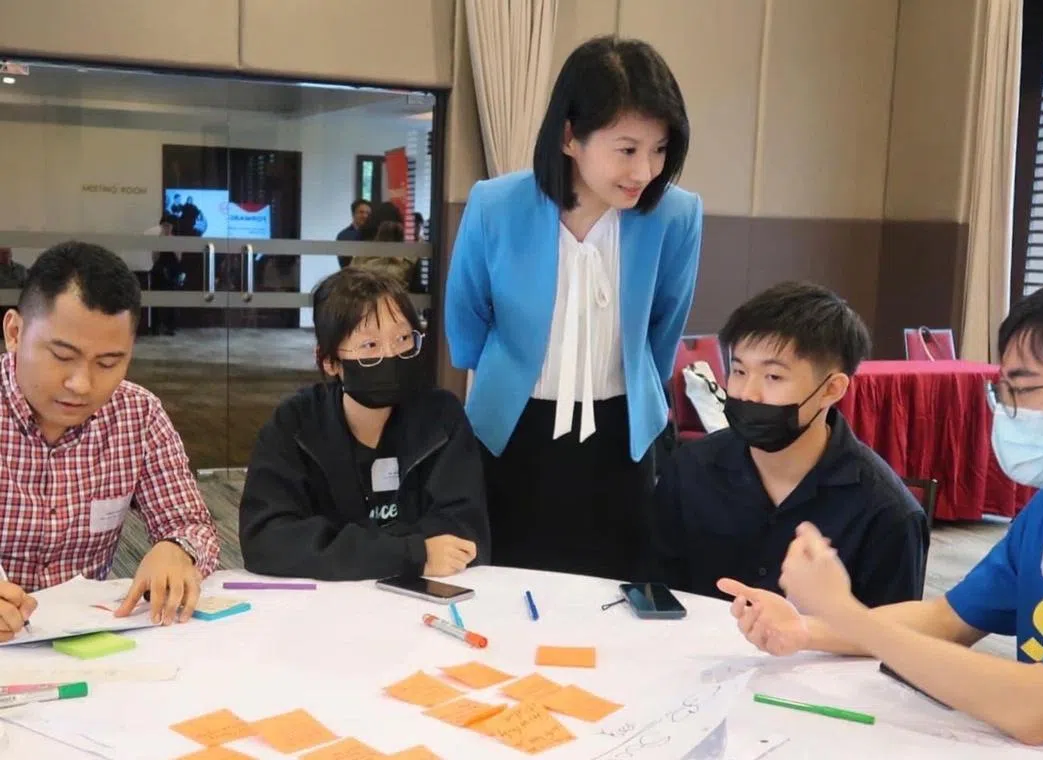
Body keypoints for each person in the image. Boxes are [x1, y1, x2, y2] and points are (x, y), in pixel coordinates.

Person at [720, 271, 1043, 757]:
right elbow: (948, 617)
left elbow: (1035, 707)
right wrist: (805, 630)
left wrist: (843, 610)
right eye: (1001, 390)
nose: (1004, 411)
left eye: (1021, 391)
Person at [445, 36, 702, 581]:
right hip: (512, 427)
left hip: (622, 433)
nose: (644, 171)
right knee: (505, 581)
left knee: (616, 587)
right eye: (627, 149)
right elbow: (466, 316)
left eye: (659, 150)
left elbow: (665, 324)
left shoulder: (675, 215)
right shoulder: (496, 204)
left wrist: (638, 384)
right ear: (569, 137)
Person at [652, 283, 928, 603]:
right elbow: (654, 593)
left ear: (831, 390)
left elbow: (891, 630)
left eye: (773, 377)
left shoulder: (887, 512)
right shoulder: (689, 469)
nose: (748, 394)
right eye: (739, 371)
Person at [0, 241, 220, 640]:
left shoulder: (136, 414)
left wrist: (178, 549)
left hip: (85, 641)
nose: (81, 384)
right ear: (15, 332)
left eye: (108, 363)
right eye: (62, 356)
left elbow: (190, 524)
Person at [239, 267, 490, 580]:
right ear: (330, 362)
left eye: (402, 339)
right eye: (370, 345)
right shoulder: (295, 425)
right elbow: (266, 538)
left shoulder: (441, 417)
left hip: (424, 594)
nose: (391, 355)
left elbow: (463, 532)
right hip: (324, 601)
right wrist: (411, 553)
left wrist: (340, 551)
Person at [336, 198, 373, 269]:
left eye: (368, 213)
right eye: (361, 212)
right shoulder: (343, 236)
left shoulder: (374, 234)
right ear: (353, 214)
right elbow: (344, 263)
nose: (365, 216)